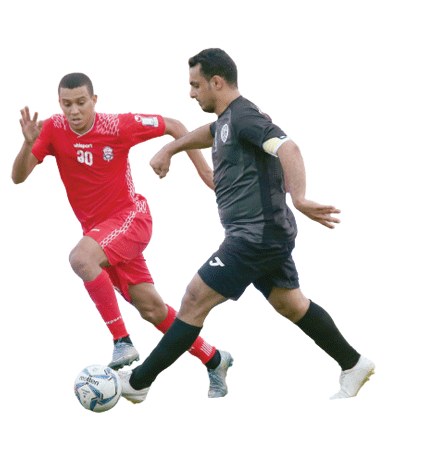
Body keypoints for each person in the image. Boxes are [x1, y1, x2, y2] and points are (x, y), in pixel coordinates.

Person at [119, 49, 375, 403]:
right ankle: (354, 363)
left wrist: (300, 198)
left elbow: (289, 148)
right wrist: (172, 148)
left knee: (194, 299)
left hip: (255, 237)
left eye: (195, 85)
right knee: (291, 304)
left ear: (216, 82)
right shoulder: (227, 121)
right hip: (262, 234)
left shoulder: (244, 117)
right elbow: (210, 133)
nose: (191, 93)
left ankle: (138, 383)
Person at [11, 73, 233, 397]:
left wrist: (203, 171)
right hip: (101, 236)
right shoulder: (52, 129)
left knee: (81, 258)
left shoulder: (117, 126)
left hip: (131, 218)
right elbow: (18, 177)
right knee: (153, 309)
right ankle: (214, 358)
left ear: (94, 100)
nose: (74, 110)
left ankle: (121, 341)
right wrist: (27, 143)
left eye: (81, 102)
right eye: (66, 104)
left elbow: (174, 125)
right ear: (59, 103)